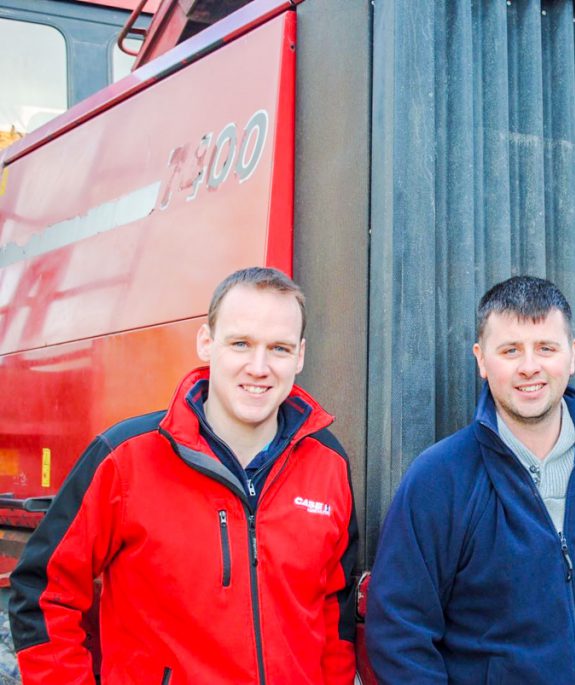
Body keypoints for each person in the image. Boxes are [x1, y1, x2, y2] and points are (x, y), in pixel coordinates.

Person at [9, 267, 359, 684]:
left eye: (279, 349)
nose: (259, 366)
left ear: (300, 356)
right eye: (241, 343)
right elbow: (42, 593)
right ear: (207, 343)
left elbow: (333, 618)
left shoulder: (327, 462)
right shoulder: (126, 457)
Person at [365, 275, 575, 684]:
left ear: (571, 355)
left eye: (546, 348)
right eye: (510, 350)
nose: (529, 366)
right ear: (481, 360)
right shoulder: (439, 479)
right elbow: (398, 631)